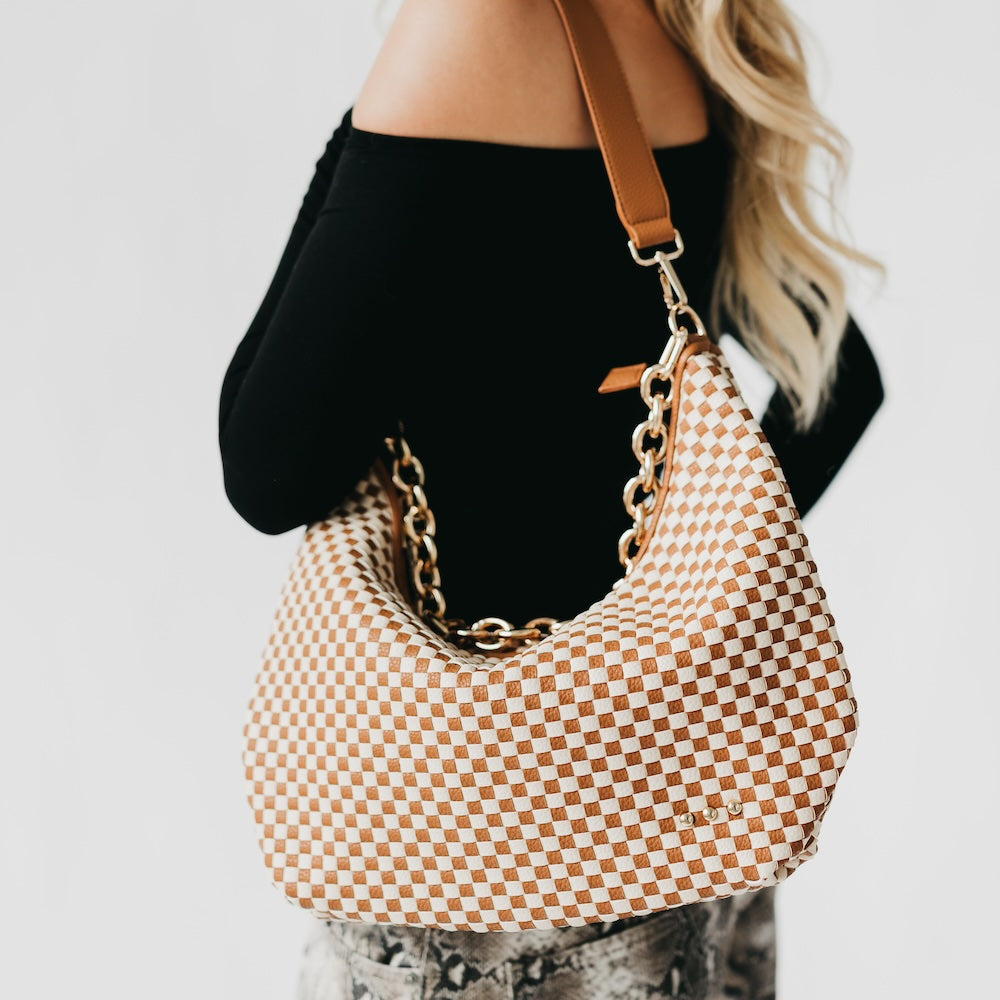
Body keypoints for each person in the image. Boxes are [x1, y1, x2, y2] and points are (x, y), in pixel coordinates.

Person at [218, 1, 884, 997]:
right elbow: (842, 379)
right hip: (671, 798)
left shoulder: (480, 20)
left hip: (483, 829)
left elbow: (266, 466)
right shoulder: (680, 26)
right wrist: (682, 608)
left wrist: (366, 131)